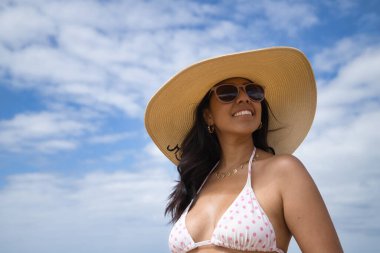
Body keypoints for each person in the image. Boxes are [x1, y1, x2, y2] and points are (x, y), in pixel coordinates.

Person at [145, 47, 343, 253]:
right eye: (227, 93)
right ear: (208, 116)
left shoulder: (284, 171)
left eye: (253, 91)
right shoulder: (199, 182)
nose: (244, 98)